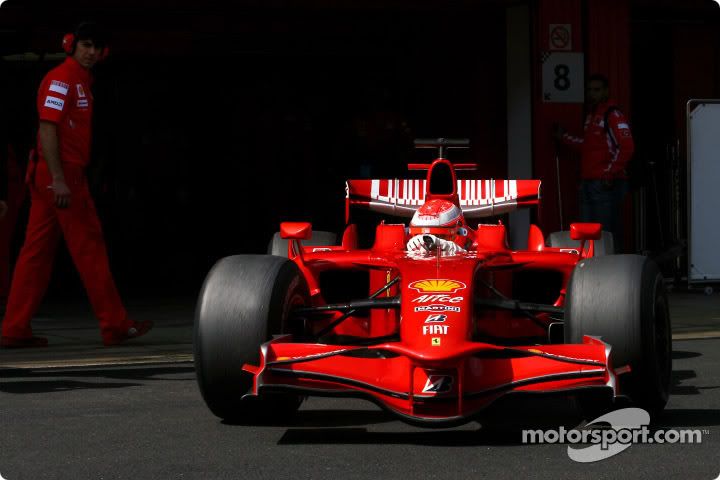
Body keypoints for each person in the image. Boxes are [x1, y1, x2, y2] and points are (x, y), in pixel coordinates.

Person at [0, 22, 152, 348]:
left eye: (97, 47)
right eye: (86, 45)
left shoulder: (80, 80)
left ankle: (14, 327)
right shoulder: (62, 79)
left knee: (35, 254)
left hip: (53, 176)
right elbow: (47, 129)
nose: (92, 52)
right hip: (61, 177)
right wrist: (58, 179)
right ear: (71, 44)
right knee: (90, 250)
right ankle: (114, 324)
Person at [554, 73, 635, 251]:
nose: (592, 94)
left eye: (597, 90)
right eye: (589, 90)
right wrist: (564, 138)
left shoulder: (613, 114)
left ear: (606, 91)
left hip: (605, 184)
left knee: (605, 234)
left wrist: (609, 172)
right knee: (588, 234)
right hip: (588, 182)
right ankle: (591, 268)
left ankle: (608, 270)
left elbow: (627, 147)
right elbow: (587, 145)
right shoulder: (592, 115)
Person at [406, 199, 472, 256]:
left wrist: (442, 244)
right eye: (419, 235)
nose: (427, 246)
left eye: (439, 236)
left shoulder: (476, 245)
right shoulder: (406, 242)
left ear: (461, 232)